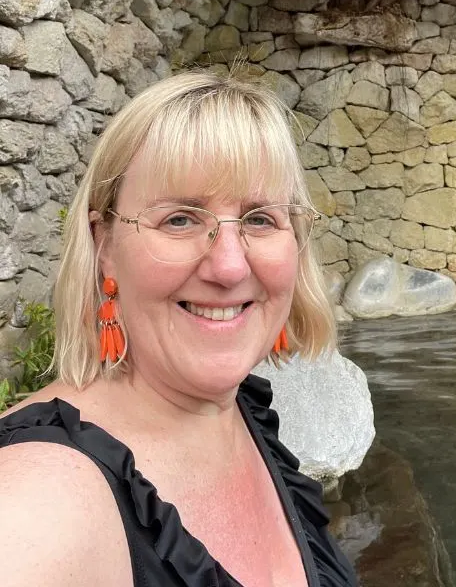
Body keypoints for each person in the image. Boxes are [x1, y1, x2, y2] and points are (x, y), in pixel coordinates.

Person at [0, 70, 358, 587]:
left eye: (260, 219)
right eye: (180, 219)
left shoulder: (246, 415)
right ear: (104, 247)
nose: (230, 267)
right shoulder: (43, 497)